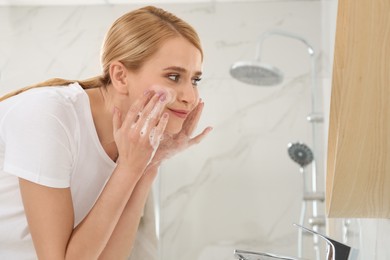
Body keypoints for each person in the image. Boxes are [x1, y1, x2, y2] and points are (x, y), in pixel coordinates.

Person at [0, 5, 212, 260]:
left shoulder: (133, 144)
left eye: (195, 80)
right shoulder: (49, 115)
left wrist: (148, 165)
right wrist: (129, 168)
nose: (190, 97)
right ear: (121, 76)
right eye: (174, 76)